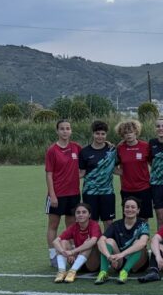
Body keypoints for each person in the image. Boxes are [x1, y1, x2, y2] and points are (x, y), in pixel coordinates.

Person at [45, 119, 82, 268]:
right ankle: (53, 255)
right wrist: (52, 195)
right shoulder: (52, 150)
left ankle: (71, 253)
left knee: (71, 225)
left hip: (74, 194)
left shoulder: (76, 147)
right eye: (62, 128)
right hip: (57, 194)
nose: (65, 131)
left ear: (71, 131)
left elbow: (91, 154)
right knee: (53, 225)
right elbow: (49, 174)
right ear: (57, 131)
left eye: (67, 128)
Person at [94, 197, 150, 285]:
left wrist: (121, 254)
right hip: (119, 261)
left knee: (138, 243)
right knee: (108, 241)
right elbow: (100, 241)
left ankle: (125, 272)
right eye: (127, 207)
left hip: (137, 263)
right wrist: (109, 256)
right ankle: (103, 272)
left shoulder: (143, 224)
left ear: (138, 210)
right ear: (123, 210)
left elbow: (143, 243)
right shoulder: (116, 224)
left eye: (133, 207)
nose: (129, 209)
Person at [78, 120, 117, 232]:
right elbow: (82, 173)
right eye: (97, 133)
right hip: (90, 193)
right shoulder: (84, 151)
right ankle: (93, 243)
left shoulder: (112, 150)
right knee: (92, 222)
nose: (100, 136)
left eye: (103, 134)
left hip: (107, 192)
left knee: (109, 222)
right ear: (93, 134)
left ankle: (107, 243)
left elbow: (116, 169)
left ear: (106, 134)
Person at [51, 202, 101, 283]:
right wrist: (64, 252)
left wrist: (72, 251)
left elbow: (93, 241)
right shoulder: (74, 226)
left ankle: (72, 271)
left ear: (89, 215)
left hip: (92, 264)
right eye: (78, 212)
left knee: (88, 243)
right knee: (63, 242)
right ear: (75, 215)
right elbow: (55, 241)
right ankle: (61, 271)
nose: (81, 214)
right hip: (77, 261)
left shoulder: (94, 225)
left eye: (84, 212)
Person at [115, 119, 152, 220]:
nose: (128, 135)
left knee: (143, 219)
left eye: (130, 131)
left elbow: (153, 163)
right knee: (128, 219)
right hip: (127, 189)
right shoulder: (120, 148)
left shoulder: (145, 146)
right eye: (125, 133)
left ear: (136, 131)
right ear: (122, 135)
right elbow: (112, 167)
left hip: (144, 188)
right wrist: (123, 172)